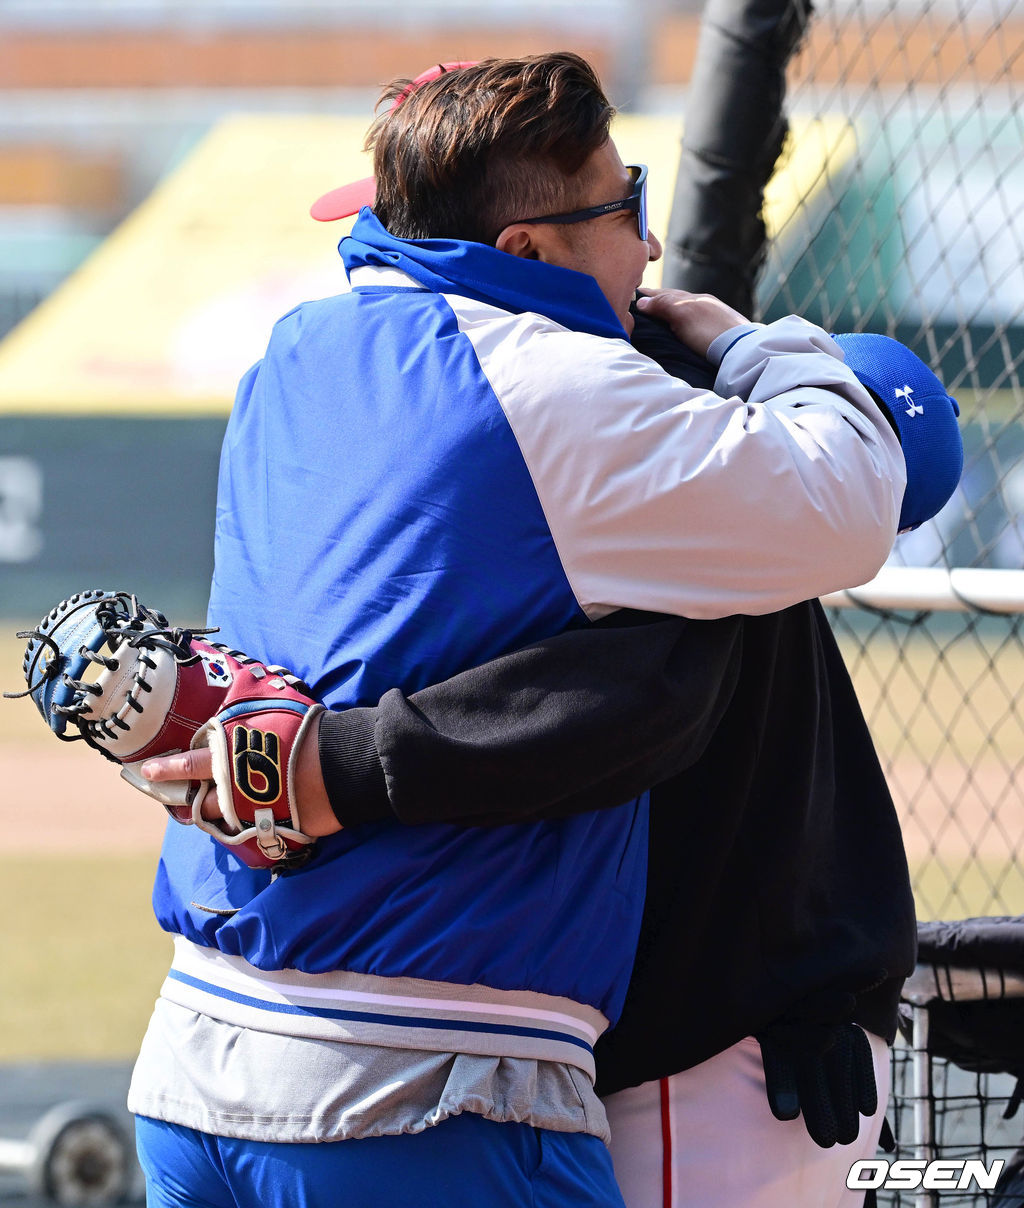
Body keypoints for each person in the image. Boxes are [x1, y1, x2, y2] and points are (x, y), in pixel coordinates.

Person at [130, 52, 911, 1208]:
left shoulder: (297, 349)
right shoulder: (560, 385)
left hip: (196, 1056)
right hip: (427, 1080)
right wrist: (752, 346)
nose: (648, 248)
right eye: (624, 206)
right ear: (526, 255)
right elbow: (851, 499)